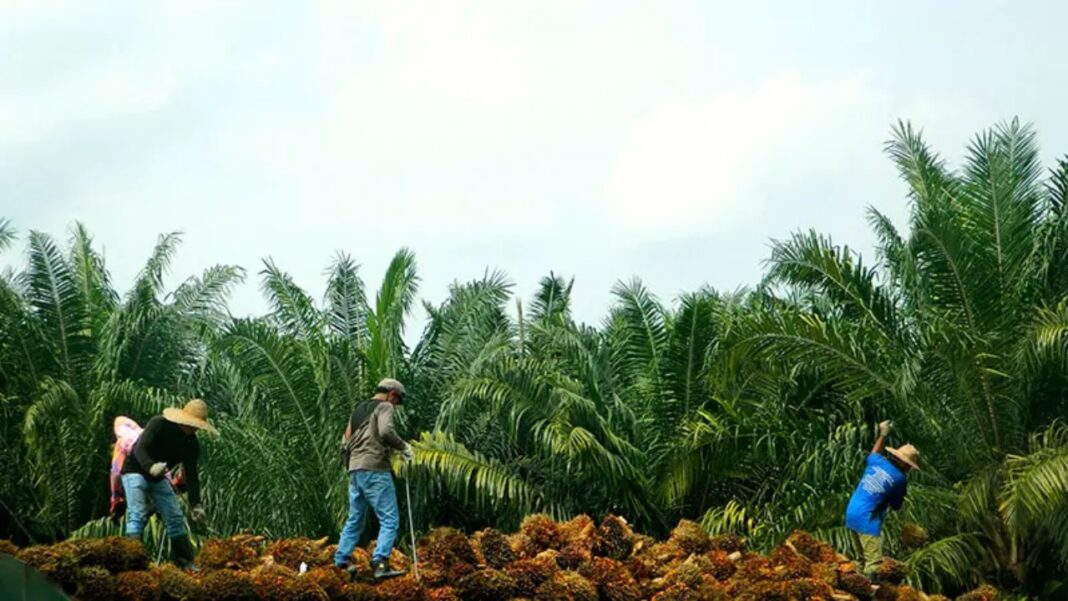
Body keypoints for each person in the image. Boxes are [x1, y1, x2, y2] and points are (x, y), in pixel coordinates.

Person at [121, 399, 218, 570]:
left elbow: (192, 476)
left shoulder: (191, 444)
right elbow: (139, 449)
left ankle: (185, 561)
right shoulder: (159, 424)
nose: (193, 428)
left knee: (174, 516)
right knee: (137, 514)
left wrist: (196, 505)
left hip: (158, 478)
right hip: (135, 471)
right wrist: (150, 466)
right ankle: (131, 562)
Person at [334, 378, 415, 579]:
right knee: (390, 519)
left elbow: (344, 443)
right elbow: (386, 431)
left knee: (355, 519)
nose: (395, 406)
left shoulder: (358, 410)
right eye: (397, 401)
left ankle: (341, 562)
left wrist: (351, 468)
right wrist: (404, 447)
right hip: (375, 470)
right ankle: (380, 564)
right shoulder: (385, 406)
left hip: (355, 471)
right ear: (392, 395)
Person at [844, 420, 920, 576]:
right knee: (873, 566)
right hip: (868, 519)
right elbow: (896, 505)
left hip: (852, 512)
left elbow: (874, 452)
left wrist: (883, 434)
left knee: (860, 560)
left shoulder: (877, 461)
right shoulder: (900, 479)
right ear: (907, 466)